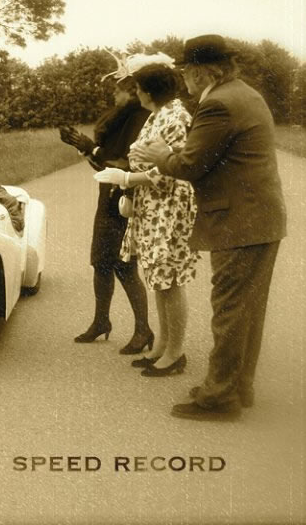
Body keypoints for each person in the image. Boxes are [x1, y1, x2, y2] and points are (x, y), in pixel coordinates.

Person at [131, 34, 287, 421]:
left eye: (186, 71)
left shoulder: (217, 104)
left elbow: (189, 165)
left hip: (239, 222)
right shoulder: (245, 93)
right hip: (261, 219)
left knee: (229, 311)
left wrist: (161, 154)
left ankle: (218, 399)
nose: (183, 78)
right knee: (247, 312)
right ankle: (237, 387)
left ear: (201, 72)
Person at [95, 61, 199, 378]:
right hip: (154, 204)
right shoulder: (158, 114)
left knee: (170, 279)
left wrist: (127, 179)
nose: (136, 93)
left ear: (149, 92)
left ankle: (175, 353)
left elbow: (173, 168)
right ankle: (162, 346)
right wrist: (130, 185)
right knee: (158, 277)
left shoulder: (176, 117)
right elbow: (144, 157)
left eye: (139, 88)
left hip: (170, 205)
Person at [59, 51, 152, 353]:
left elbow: (127, 166)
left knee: (124, 265)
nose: (113, 93)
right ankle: (101, 321)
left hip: (128, 199)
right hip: (109, 197)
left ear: (131, 90)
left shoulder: (140, 118)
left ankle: (143, 330)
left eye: (118, 88)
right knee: (100, 262)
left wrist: (93, 149)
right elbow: (103, 167)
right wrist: (83, 147)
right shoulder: (121, 118)